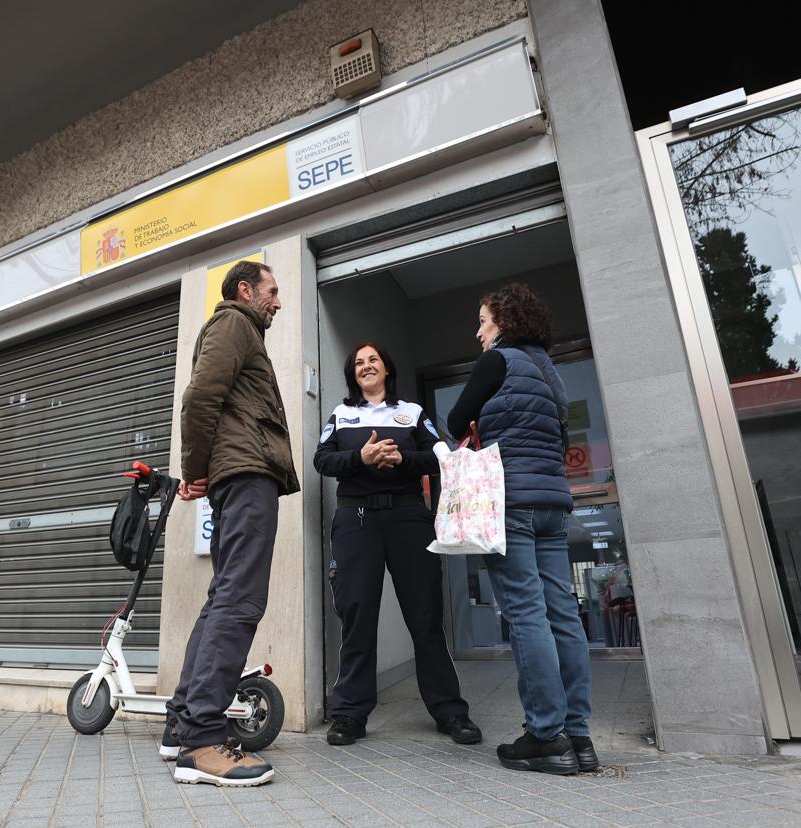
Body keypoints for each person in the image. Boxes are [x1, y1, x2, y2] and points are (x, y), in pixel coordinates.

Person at [446, 282, 596, 775]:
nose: (477, 331)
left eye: (483, 320)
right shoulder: (550, 371)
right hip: (552, 504)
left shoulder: (499, 360)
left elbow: (456, 417)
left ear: (504, 323)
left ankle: (544, 735)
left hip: (510, 502)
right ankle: (579, 736)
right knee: (563, 616)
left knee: (527, 615)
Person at [164, 260, 300, 787]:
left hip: (239, 475)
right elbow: (198, 397)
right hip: (245, 477)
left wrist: (202, 471)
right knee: (240, 599)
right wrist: (195, 471)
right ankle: (202, 741)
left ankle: (181, 725)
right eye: (272, 290)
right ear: (245, 290)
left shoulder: (240, 331)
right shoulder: (235, 324)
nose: (278, 302)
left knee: (223, 597)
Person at [314, 342, 481, 747]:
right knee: (357, 618)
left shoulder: (413, 413)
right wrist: (363, 458)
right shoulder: (342, 415)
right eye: (358, 363)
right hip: (355, 520)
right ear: (353, 375)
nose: (366, 366)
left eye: (373, 360)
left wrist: (402, 459)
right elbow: (323, 461)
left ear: (387, 368)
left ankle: (450, 711)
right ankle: (349, 714)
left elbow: (439, 457)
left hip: (409, 518)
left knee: (425, 618)